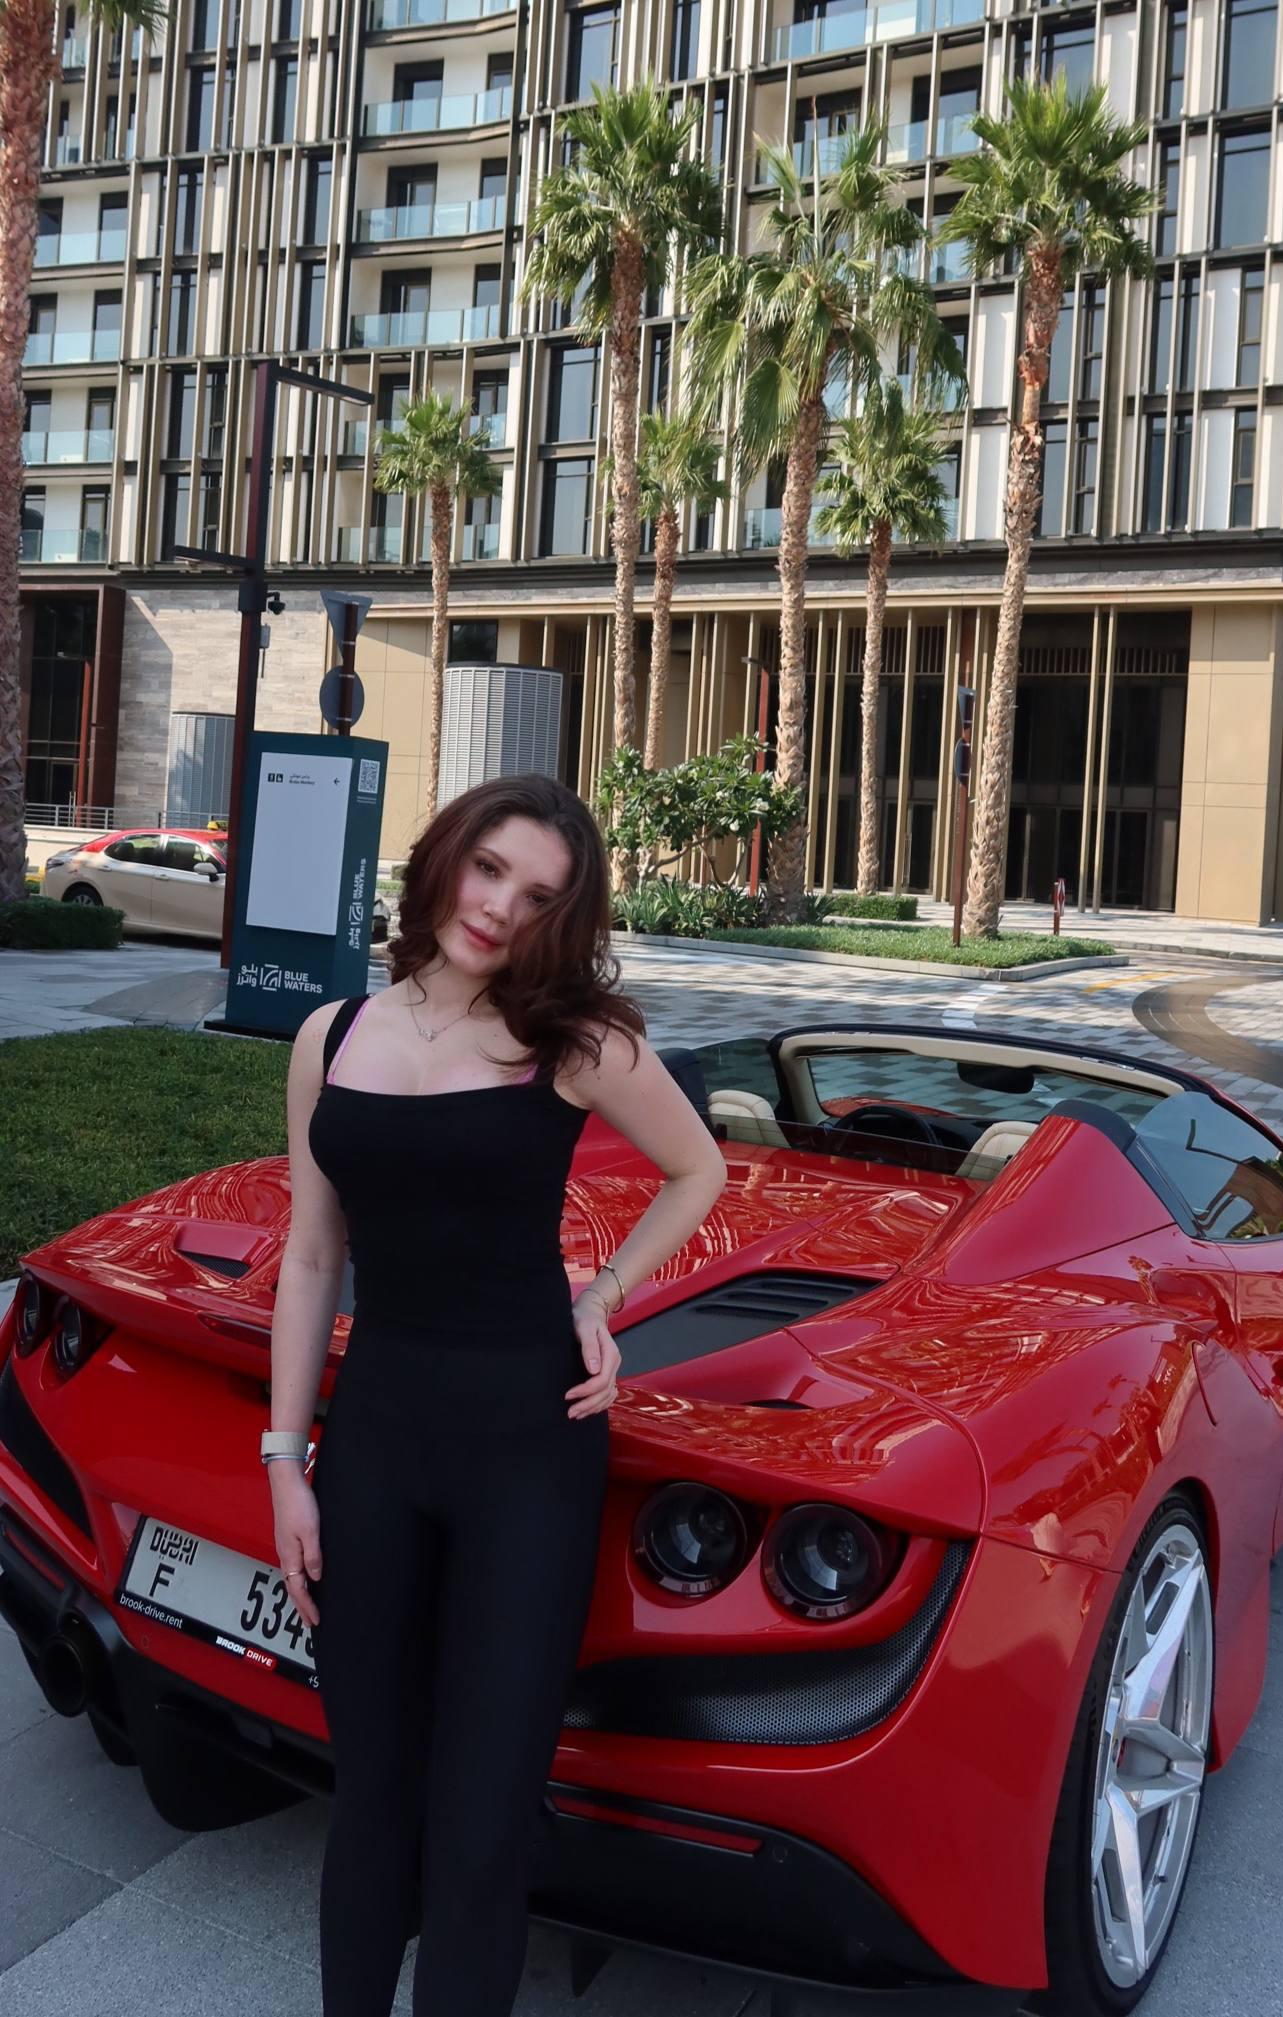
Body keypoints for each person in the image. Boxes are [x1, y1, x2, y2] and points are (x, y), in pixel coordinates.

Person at [266, 774, 727, 2017]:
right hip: (375, 1444)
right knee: (372, 1795)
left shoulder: (574, 1043)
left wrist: (601, 1297)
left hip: (529, 1448)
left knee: (480, 1819)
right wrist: (284, 1461)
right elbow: (312, 1255)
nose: (498, 908)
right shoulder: (331, 1036)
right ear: (444, 857)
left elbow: (698, 1168)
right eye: (488, 869)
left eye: (536, 896)